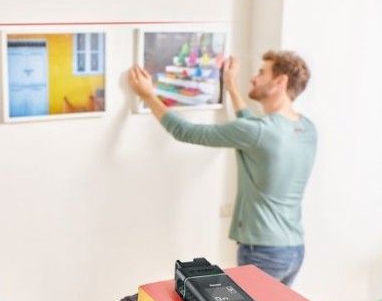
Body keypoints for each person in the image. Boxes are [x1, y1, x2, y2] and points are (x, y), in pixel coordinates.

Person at [128, 51, 317, 287]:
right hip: (294, 250)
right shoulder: (306, 128)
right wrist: (231, 88)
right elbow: (253, 130)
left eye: (262, 73)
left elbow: (186, 131)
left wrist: (148, 95)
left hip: (263, 252)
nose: (254, 78)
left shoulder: (258, 131)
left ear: (280, 82)